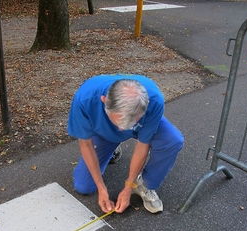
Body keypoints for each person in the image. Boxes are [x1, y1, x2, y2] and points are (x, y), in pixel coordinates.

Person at [67, 74, 184, 214]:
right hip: (103, 132)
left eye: (129, 123)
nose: (122, 129)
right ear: (104, 101)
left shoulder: (154, 100)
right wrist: (101, 187)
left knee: (172, 140)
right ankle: (112, 147)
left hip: (140, 129)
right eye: (117, 122)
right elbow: (86, 144)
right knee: (83, 186)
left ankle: (146, 184)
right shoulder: (84, 99)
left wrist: (130, 185)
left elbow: (143, 144)